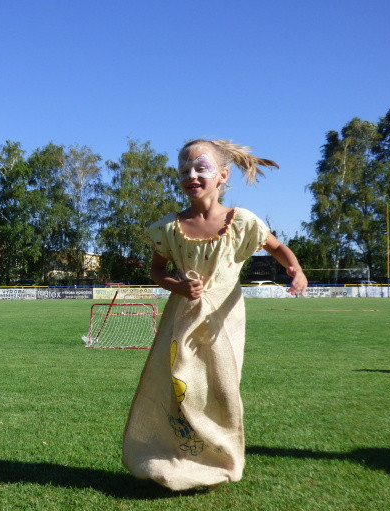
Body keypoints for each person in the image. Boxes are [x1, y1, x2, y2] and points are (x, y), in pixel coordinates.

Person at [122, 139, 307, 492]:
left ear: (222, 175)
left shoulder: (242, 222)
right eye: (183, 171)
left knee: (220, 387)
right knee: (181, 385)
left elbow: (278, 247)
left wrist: (295, 270)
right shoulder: (169, 228)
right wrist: (177, 286)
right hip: (183, 318)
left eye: (200, 168)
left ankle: (220, 460)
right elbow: (157, 271)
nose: (191, 175)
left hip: (225, 320)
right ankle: (177, 458)